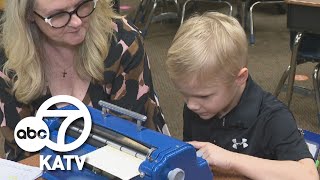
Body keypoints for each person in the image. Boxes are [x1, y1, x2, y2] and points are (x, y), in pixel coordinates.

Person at [0, 0, 170, 161]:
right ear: (29, 14)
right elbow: (22, 152)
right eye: (58, 15)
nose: (76, 22)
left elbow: (129, 144)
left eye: (83, 5)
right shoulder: (11, 63)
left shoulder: (123, 42)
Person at [166, 12, 318, 179]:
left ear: (239, 78)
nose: (191, 105)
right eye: (185, 95)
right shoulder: (197, 105)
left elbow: (308, 175)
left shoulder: (272, 116)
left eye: (204, 96)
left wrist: (230, 160)